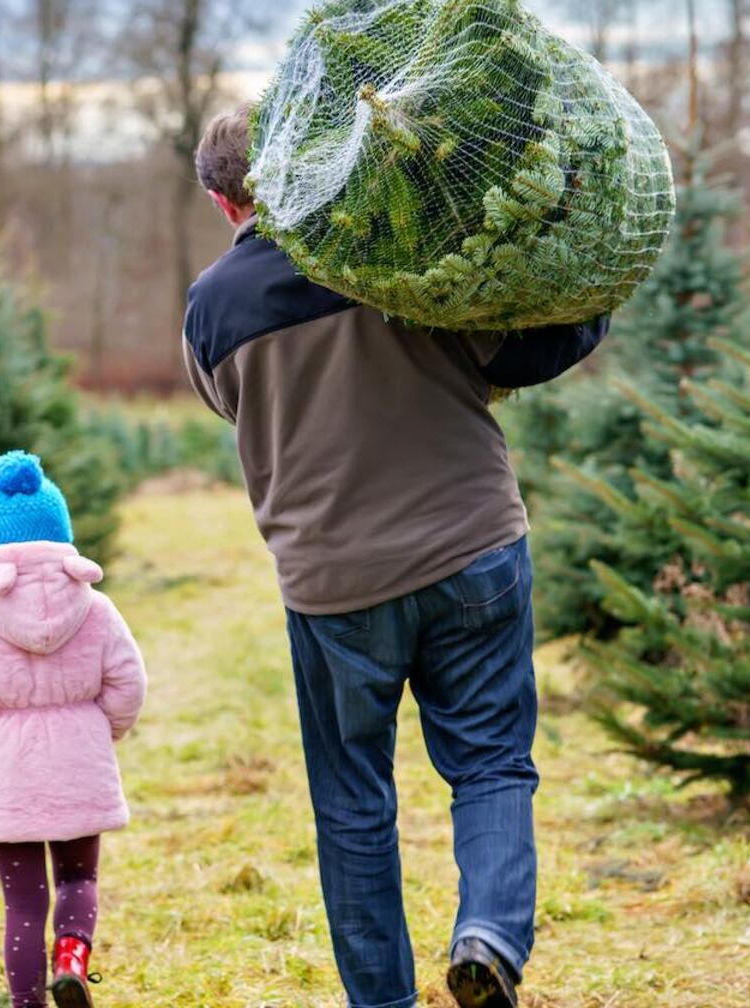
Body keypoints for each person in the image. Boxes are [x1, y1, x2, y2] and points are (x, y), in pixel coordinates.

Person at [182, 105, 609, 1008]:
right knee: (491, 761)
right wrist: (591, 296)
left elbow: (234, 408)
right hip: (472, 550)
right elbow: (523, 349)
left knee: (351, 803)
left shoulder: (210, 310)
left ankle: (382, 1001)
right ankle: (488, 936)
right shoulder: (391, 255)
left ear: (226, 204)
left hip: (334, 587)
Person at [0, 450, 148, 1008]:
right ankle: (71, 957)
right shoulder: (98, 610)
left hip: (4, 774)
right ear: (62, 537)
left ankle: (26, 1003)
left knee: (22, 904)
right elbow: (128, 683)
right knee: (77, 881)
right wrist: (101, 733)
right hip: (80, 765)